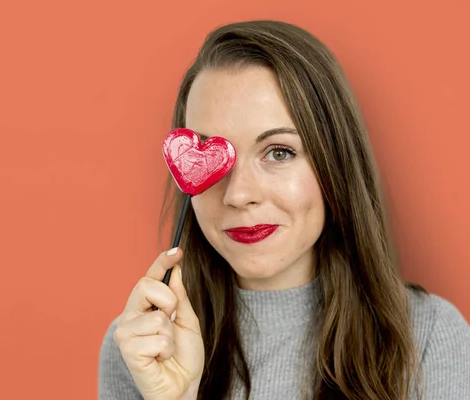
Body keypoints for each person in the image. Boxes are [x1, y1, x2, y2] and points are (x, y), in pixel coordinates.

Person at [97, 20, 470, 400]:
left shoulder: (429, 336)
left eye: (279, 152)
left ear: (334, 165)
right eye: (213, 157)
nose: (238, 195)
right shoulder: (142, 346)